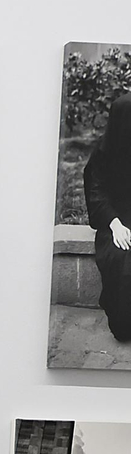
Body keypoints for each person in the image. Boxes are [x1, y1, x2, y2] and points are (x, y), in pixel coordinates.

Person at [84, 93, 131, 340]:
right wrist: (115, 224)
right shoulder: (104, 153)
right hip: (115, 221)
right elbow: (96, 192)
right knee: (121, 259)